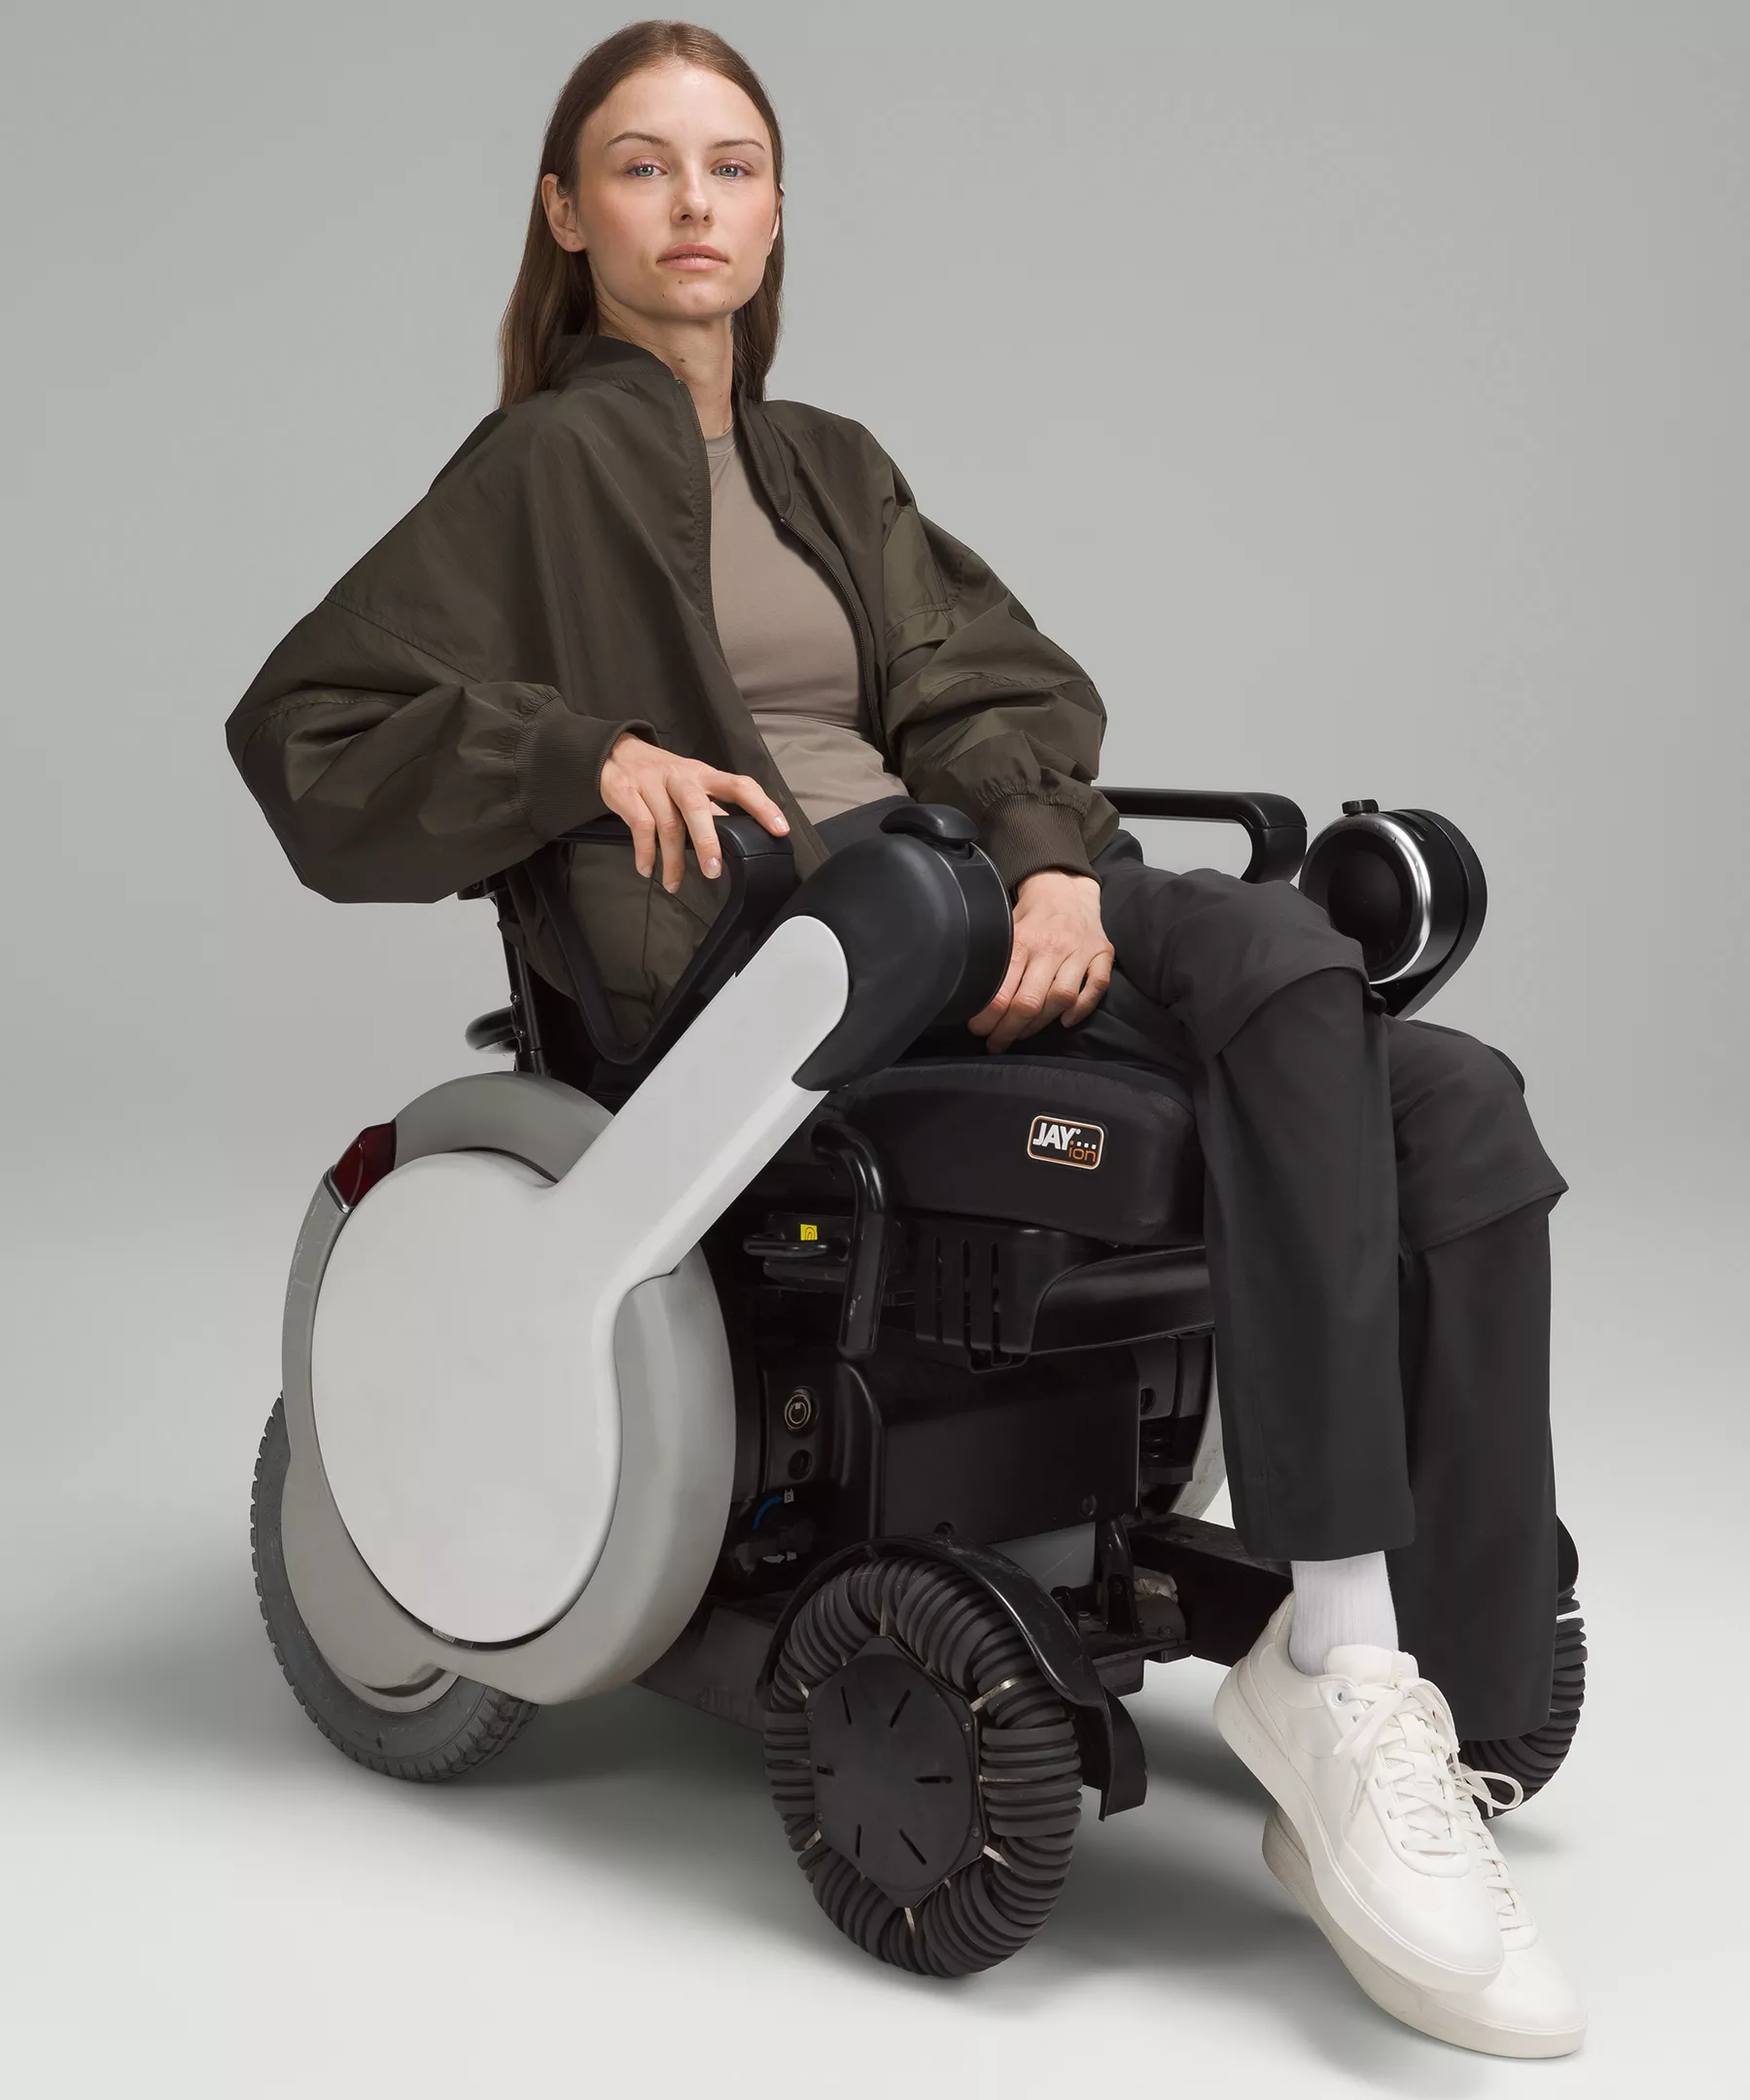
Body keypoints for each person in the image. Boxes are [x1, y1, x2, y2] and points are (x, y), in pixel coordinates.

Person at [225, 19, 1583, 2058]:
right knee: (1282, 979)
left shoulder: (829, 463)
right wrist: (580, 754)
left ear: (777, 210)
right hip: (793, 960)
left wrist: (1050, 869)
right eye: (643, 166)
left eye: (732, 167)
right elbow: (311, 730)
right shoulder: (541, 470)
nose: (693, 206)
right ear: (566, 210)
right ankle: (1348, 1660)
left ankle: (1395, 1654)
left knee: (1437, 1086)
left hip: (975, 902)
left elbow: (990, 686)